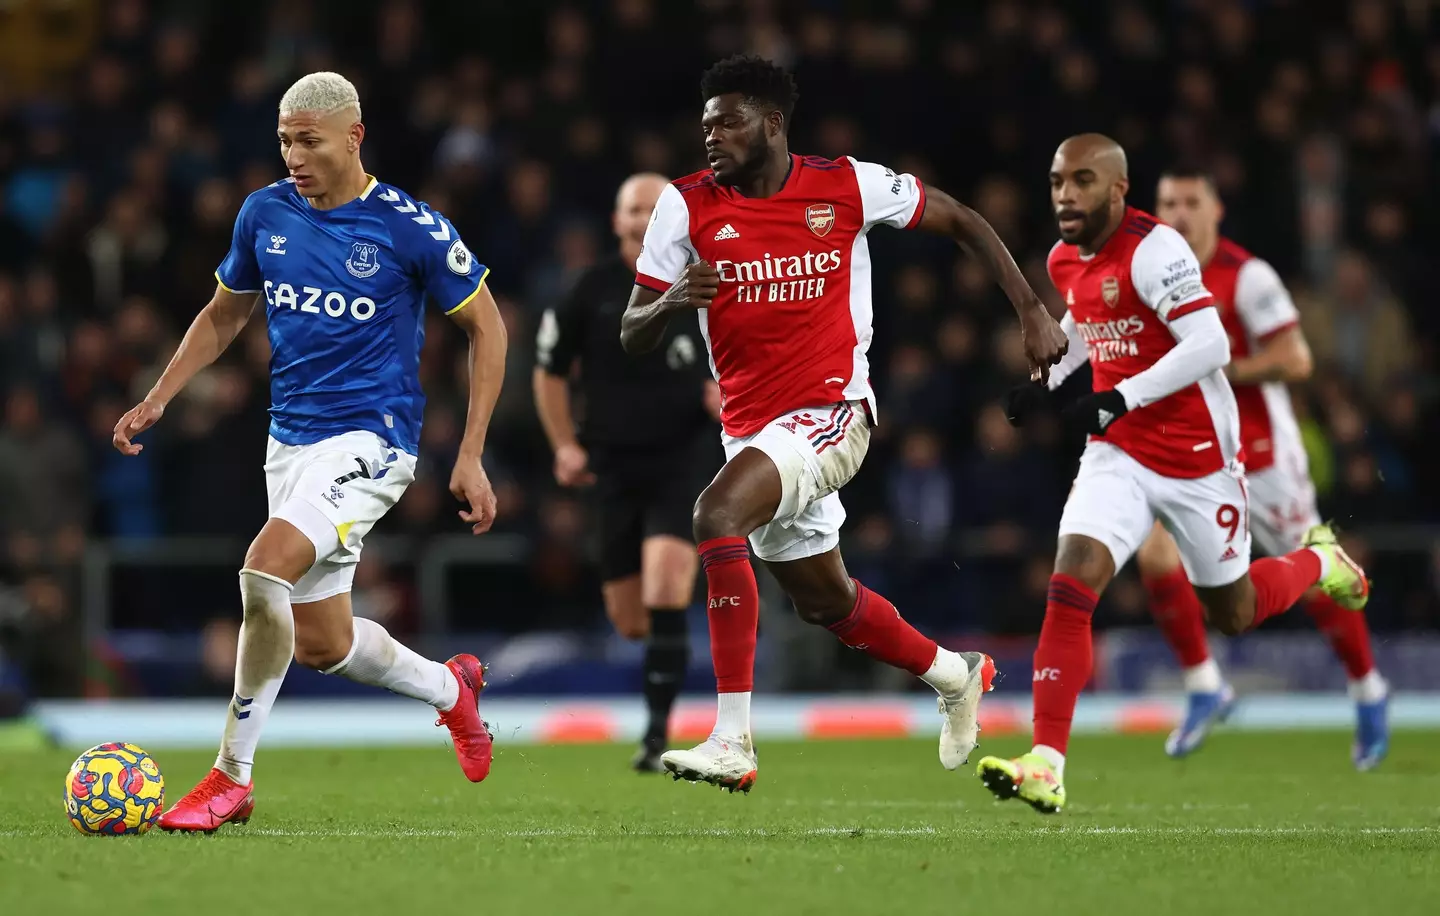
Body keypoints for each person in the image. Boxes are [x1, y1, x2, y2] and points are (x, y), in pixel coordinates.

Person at [620, 55, 1069, 793]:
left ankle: (732, 738)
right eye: (705, 126)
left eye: (728, 123)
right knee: (825, 600)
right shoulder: (684, 206)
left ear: (771, 124)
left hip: (832, 414)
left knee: (714, 514)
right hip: (753, 431)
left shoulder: (846, 185)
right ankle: (957, 677)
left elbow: (960, 217)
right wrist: (669, 303)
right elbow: (632, 330)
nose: (711, 138)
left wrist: (1029, 309)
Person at [111, 72, 506, 832]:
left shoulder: (409, 227)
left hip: (372, 442)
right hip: (288, 444)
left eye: (310, 141)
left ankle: (231, 777)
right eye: (286, 140)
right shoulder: (266, 213)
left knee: (264, 570)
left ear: (353, 138)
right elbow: (224, 316)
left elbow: (488, 328)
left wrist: (473, 452)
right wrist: (160, 395)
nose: (294, 155)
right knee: (324, 643)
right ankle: (453, 691)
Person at [981, 135, 1371, 814]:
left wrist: (1119, 395)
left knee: (1235, 612)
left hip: (1198, 461)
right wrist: (1052, 381)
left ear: (1117, 189)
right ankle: (1046, 759)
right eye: (1054, 182)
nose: (1064, 195)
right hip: (1118, 454)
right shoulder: (1062, 257)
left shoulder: (1156, 249)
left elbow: (1211, 344)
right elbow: (1087, 321)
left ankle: (1319, 562)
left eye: (1080, 181)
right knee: (1070, 582)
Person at [1138, 167, 1388, 768]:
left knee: (1318, 580)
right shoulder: (1148, 271)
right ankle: (1204, 685)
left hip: (1263, 454)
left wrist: (1218, 365)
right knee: (1153, 554)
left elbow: (1297, 358)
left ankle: (1368, 688)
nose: (1179, 212)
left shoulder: (1245, 276)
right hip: (1190, 449)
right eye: (1168, 201)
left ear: (1216, 209)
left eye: (1192, 201)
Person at [534, 172, 721, 772]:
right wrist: (565, 444)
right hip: (612, 464)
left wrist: (727, 391)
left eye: (653, 208)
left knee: (668, 585)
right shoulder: (588, 289)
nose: (642, 219)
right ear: (616, 221)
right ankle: (661, 682)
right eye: (632, 209)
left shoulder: (702, 279)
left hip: (683, 458)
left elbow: (743, 350)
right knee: (631, 618)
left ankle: (655, 737)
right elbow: (549, 370)